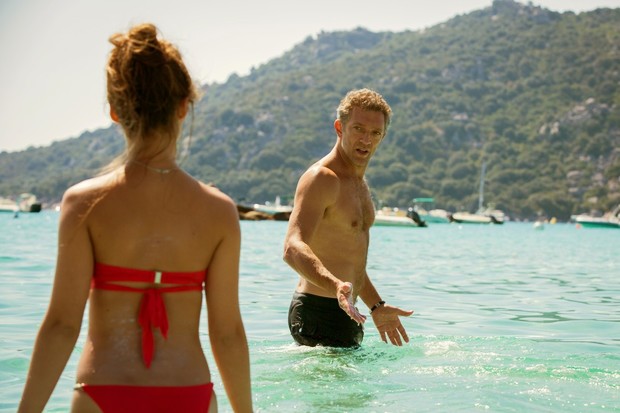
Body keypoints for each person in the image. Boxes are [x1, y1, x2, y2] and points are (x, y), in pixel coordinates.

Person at [18, 23, 252, 413]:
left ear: (114, 110)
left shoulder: (84, 203)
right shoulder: (219, 212)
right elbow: (226, 334)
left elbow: (61, 326)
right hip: (188, 394)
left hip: (102, 392)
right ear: (183, 106)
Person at [283, 88, 414, 348]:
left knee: (357, 390)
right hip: (318, 311)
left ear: (383, 136)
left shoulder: (359, 185)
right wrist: (335, 286)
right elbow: (292, 247)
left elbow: (350, 261)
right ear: (339, 128)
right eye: (358, 129)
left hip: (347, 310)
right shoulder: (322, 178)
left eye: (375, 133)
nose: (366, 139)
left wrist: (376, 306)